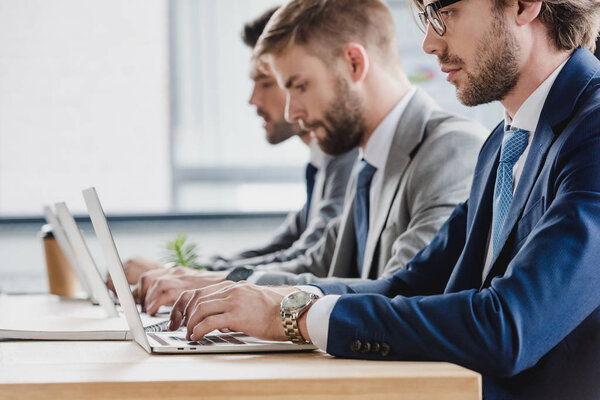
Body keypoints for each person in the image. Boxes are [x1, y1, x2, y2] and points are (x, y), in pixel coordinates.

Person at [167, 0, 600, 399]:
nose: (430, 43)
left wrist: (294, 317)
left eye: (442, 12)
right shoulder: (503, 144)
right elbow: (409, 285)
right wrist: (272, 299)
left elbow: (508, 326)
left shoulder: (592, 130)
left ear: (523, 4)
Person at [136, 0, 485, 315]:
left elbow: (406, 292)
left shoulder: (450, 149)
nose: (292, 111)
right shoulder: (371, 160)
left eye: (300, 86)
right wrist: (219, 283)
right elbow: (318, 261)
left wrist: (262, 302)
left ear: (354, 63)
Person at [109, 7, 358, 302]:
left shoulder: (347, 158)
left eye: (267, 82)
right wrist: (187, 275)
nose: (253, 99)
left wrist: (194, 277)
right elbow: (282, 248)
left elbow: (315, 261)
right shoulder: (323, 162)